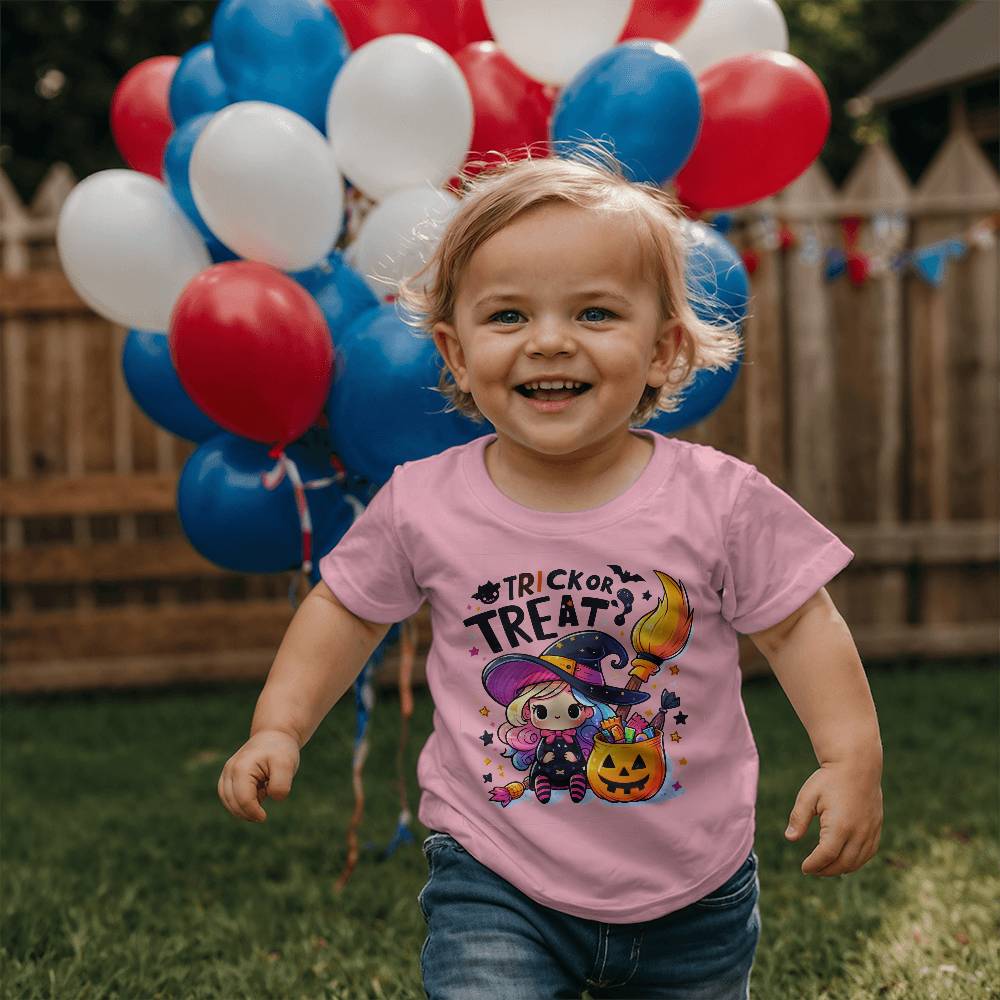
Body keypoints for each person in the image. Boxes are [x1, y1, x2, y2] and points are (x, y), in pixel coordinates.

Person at [217, 143, 884, 999]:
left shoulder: (719, 499)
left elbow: (802, 624)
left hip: (696, 885)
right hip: (495, 872)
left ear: (665, 349)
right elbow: (344, 611)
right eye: (507, 318)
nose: (549, 342)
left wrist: (849, 753)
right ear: (455, 355)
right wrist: (280, 724)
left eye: (597, 314)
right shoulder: (423, 502)